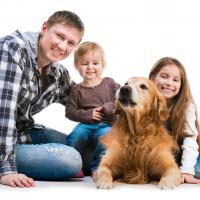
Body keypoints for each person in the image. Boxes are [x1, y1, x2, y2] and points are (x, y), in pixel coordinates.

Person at [0, 10, 84, 187]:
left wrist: (128, 97)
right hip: (3, 138)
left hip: (21, 133)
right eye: (60, 36)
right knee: (71, 159)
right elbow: (4, 110)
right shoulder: (13, 48)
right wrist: (6, 169)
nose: (62, 46)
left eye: (70, 43)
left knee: (86, 147)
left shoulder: (57, 72)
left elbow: (84, 99)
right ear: (44, 28)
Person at [65, 41, 120, 177]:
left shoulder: (110, 83)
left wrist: (107, 108)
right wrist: (88, 114)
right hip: (85, 124)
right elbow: (70, 111)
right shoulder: (76, 90)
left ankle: (98, 168)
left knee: (106, 138)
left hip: (106, 125)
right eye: (84, 63)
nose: (90, 67)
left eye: (95, 63)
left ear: (103, 65)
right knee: (74, 137)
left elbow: (121, 100)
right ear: (77, 66)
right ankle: (73, 166)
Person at [149, 57, 200, 184]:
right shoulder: (145, 103)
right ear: (152, 78)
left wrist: (187, 170)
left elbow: (190, 140)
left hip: (190, 157)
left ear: (181, 85)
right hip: (165, 160)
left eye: (175, 80)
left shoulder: (187, 106)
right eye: (164, 76)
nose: (169, 83)